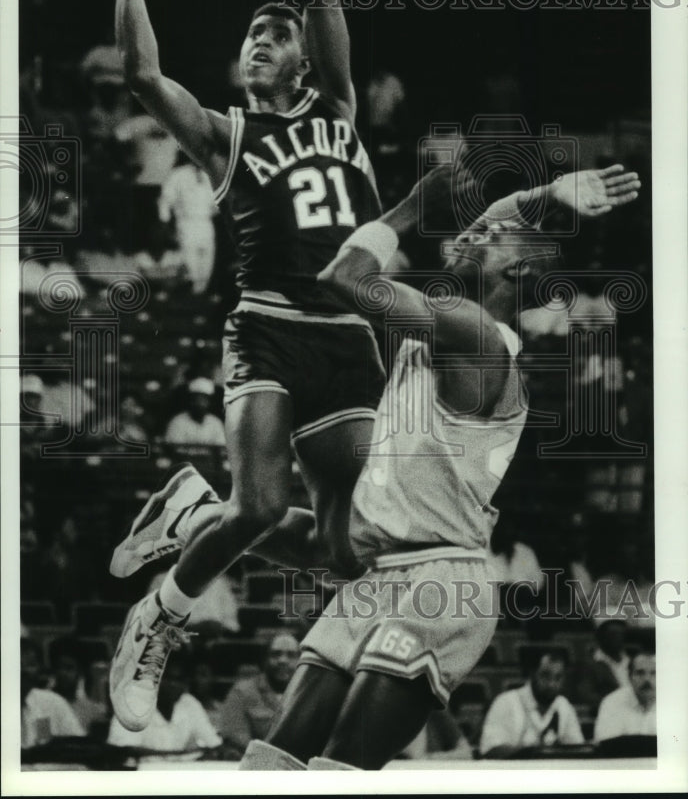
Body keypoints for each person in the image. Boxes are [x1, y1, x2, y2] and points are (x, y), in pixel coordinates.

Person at [86, 0, 386, 734]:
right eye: (253, 33)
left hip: (348, 340)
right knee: (258, 506)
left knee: (350, 551)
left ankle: (189, 509)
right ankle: (159, 617)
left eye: (276, 32)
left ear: (301, 58)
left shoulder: (338, 109)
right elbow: (144, 76)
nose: (262, 37)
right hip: (266, 329)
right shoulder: (227, 136)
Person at [234, 163, 640, 770]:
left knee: (335, 774)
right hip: (382, 573)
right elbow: (498, 214)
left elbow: (344, 277)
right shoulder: (449, 326)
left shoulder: (476, 333)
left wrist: (408, 210)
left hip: (443, 582)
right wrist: (549, 192)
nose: (470, 233)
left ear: (518, 271)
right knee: (269, 767)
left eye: (490, 237)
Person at [108, 653, 222, 755]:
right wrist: (182, 754)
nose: (174, 685)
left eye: (180, 680)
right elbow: (123, 751)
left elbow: (213, 744)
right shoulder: (132, 702)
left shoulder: (189, 702)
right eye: (169, 679)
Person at [479, 650, 584, 758]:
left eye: (558, 677)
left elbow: (578, 750)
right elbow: (491, 751)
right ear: (532, 673)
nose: (552, 684)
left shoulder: (564, 706)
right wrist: (534, 753)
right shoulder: (506, 702)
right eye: (545, 675)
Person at [216, 632, 300, 760]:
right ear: (265, 659)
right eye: (275, 654)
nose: (283, 660)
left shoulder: (311, 694)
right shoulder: (242, 692)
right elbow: (237, 741)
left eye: (291, 655)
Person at [158, 159, 218, 294]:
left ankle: (202, 294)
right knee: (190, 262)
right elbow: (166, 199)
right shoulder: (179, 174)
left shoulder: (210, 174)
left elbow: (216, 203)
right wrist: (165, 222)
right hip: (186, 222)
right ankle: (192, 294)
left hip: (206, 222)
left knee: (207, 261)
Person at [21, 639, 85, 749]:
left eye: (30, 665)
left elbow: (80, 749)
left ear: (40, 670)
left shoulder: (52, 702)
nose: (23, 671)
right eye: (17, 664)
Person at [593, 649, 656, 743]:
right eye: (640, 673)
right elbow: (605, 746)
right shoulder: (611, 703)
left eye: (654, 673)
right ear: (629, 677)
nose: (647, 679)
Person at [164, 377, 226, 447]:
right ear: (191, 401)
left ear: (209, 403)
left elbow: (220, 448)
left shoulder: (216, 423)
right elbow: (174, 449)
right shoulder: (177, 422)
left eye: (204, 400)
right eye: (197, 400)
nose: (200, 404)